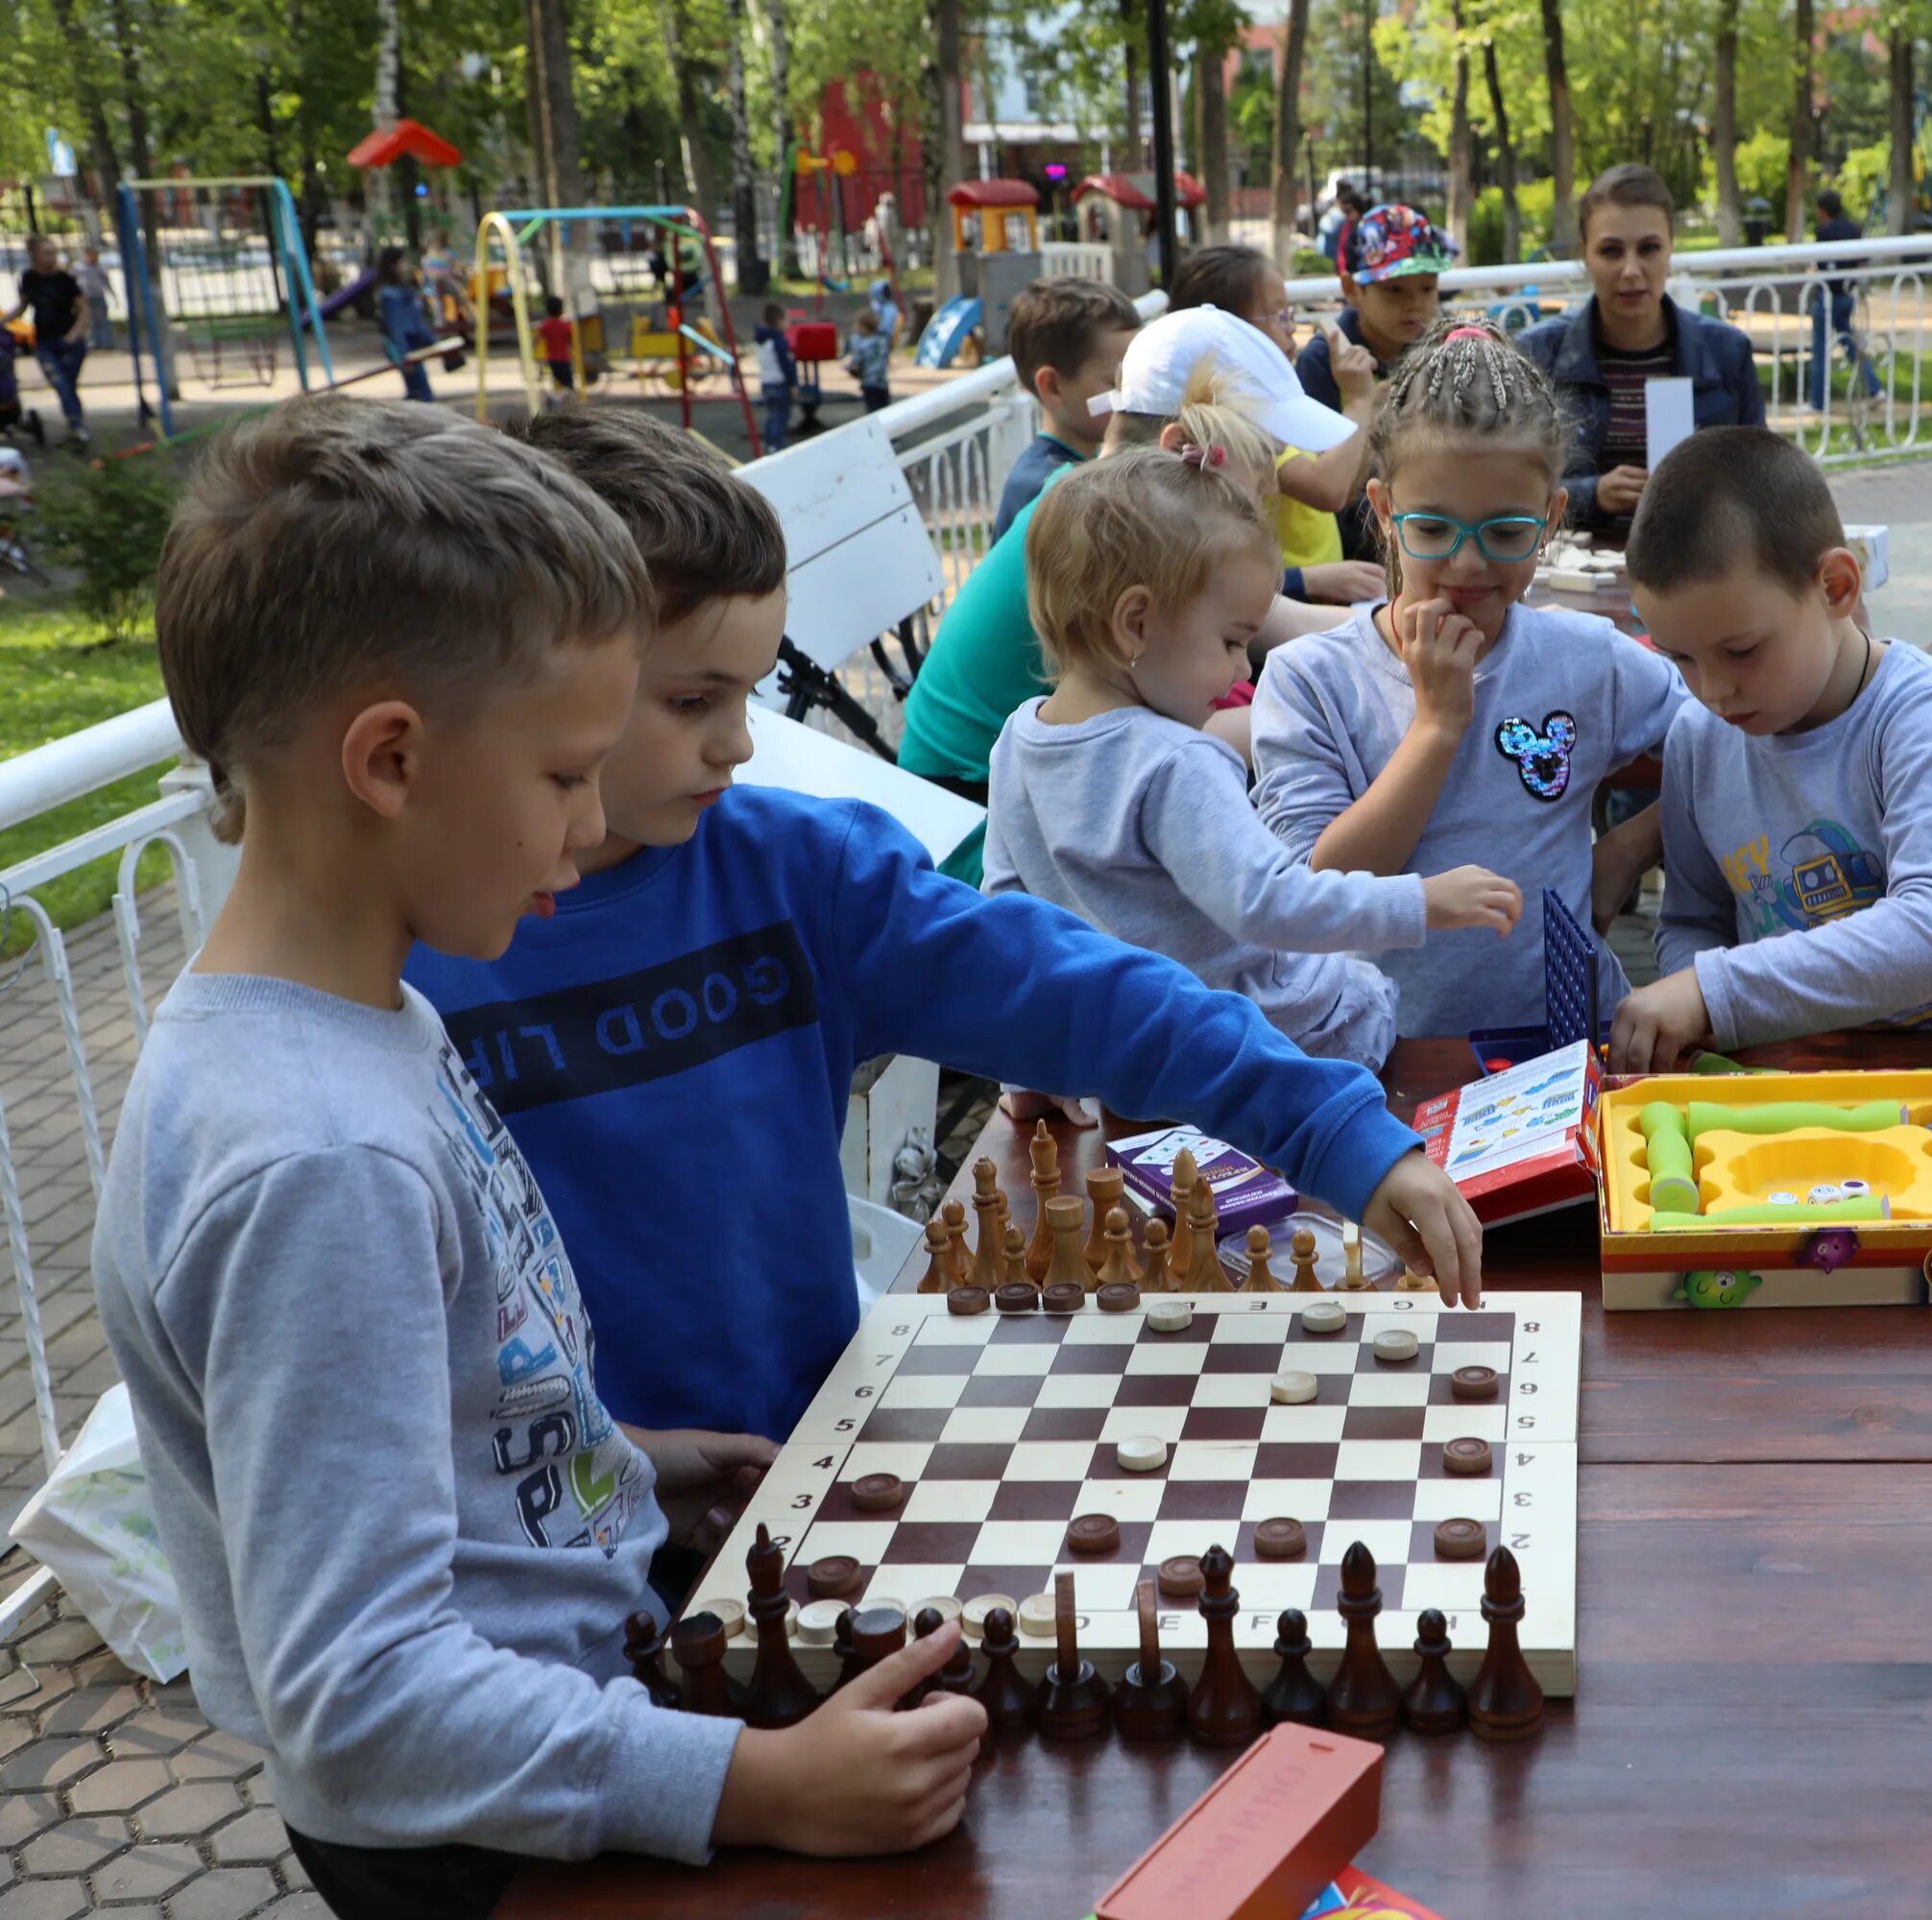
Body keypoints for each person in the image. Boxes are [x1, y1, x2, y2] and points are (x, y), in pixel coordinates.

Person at [101, 396, 994, 1920]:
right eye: (565, 775)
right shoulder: (317, 1160)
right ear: (389, 760)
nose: (589, 835)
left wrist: (621, 1461)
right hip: (487, 1830)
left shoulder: (359, 1014)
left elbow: (415, 1428)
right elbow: (364, 1702)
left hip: (553, 1732)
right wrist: (756, 1787)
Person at [403, 405, 1484, 1452]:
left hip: (811, 1449)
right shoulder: (410, 955)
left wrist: (1332, 1130)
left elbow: (1087, 991)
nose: (741, 743)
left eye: (751, 695)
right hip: (559, 1524)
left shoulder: (798, 872)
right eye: (693, 701)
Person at [1611, 426, 1932, 1174]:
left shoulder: (1930, 718)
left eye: (1740, 652)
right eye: (1682, 660)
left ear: (1836, 587)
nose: (1713, 689)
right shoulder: (1701, 736)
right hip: (1790, 1111)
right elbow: (1695, 916)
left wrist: (1711, 990)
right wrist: (1689, 993)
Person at [985, 447, 1522, 1068]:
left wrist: (1027, 1079)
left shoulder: (1019, 741)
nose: (1244, 669)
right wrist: (1422, 902)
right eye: (1232, 641)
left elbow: (1008, 919)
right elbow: (1271, 904)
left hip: (1126, 1054)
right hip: (1273, 1046)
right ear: (1135, 623)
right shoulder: (1177, 760)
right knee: (1373, 999)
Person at [1253, 322, 1685, 1042]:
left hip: (1564, 1049)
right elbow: (1317, 896)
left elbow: (1735, 740)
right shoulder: (1312, 682)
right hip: (1382, 1061)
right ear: (1386, 513)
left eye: (1507, 532)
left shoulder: (1587, 659)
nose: (1468, 563)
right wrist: (1437, 726)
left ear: (1551, 518)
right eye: (1434, 529)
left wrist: (1632, 845)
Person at [899, 305, 1364, 883]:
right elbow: (1182, 743)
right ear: (1183, 451)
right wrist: (1352, 700)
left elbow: (1287, 621)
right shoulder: (1105, 544)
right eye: (1261, 465)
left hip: (1035, 796)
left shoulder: (1118, 516)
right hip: (976, 825)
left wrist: (1393, 631)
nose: (1265, 496)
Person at [1516, 164, 1764, 543]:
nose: (1631, 270)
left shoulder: (1727, 352)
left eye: (1649, 248)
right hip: (1574, 572)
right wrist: (1592, 494)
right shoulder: (1536, 355)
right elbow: (1509, 489)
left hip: (1700, 564)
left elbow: (1761, 484)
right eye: (1611, 251)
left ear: (1671, 248)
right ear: (1585, 255)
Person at [1170, 244, 1385, 605]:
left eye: (1289, 314)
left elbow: (1345, 483)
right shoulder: (1235, 420)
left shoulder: (1274, 402)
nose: (1290, 332)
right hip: (1282, 603)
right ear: (1231, 329)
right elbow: (1329, 489)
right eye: (1278, 317)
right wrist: (1359, 401)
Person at [1292, 203, 1453, 556]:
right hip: (1355, 547)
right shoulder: (1326, 361)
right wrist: (1366, 413)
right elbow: (1330, 493)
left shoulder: (1448, 344)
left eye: (1427, 289)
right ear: (1351, 288)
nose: (1414, 304)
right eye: (1394, 290)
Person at [992, 276, 1142, 540]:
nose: (1136, 393)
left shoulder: (1086, 465)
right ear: (1053, 387)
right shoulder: (1046, 490)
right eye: (1117, 382)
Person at [5, 236, 92, 443]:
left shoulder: (65, 279)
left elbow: (83, 310)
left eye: (54, 252)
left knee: (68, 386)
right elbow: (23, 306)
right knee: (61, 384)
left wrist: (74, 334)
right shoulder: (29, 278)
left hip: (69, 343)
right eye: (47, 252)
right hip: (45, 343)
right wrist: (4, 321)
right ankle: (77, 428)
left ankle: (76, 428)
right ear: (35, 255)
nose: (52, 257)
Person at [1805, 185, 1876, 412]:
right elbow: (1862, 259)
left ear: (1822, 210)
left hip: (1828, 297)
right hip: (1848, 295)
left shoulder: (1824, 232)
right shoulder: (1853, 228)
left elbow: (1821, 265)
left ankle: (1817, 401)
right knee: (1849, 343)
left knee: (1820, 349)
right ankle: (1876, 388)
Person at [374, 245, 441, 404]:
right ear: (392, 266)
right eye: (402, 262)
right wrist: (403, 355)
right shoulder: (392, 296)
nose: (406, 266)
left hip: (414, 347)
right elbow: (397, 328)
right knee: (422, 394)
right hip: (407, 349)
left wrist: (432, 341)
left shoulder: (405, 291)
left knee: (418, 392)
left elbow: (417, 321)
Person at [754, 300, 799, 452]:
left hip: (766, 381)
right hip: (779, 382)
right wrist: (793, 383)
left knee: (772, 414)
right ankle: (777, 444)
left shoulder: (761, 340)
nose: (789, 323)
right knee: (781, 415)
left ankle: (769, 442)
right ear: (779, 321)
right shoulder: (778, 341)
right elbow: (786, 364)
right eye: (787, 319)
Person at [534, 295, 580, 399]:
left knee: (563, 384)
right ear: (561, 310)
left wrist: (534, 354)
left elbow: (536, 340)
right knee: (569, 386)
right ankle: (555, 399)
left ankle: (557, 398)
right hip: (564, 360)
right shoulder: (565, 325)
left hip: (551, 360)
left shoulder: (545, 325)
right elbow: (572, 342)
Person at [844, 309, 890, 415]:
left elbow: (856, 363)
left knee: (872, 412)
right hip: (882, 383)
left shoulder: (862, 344)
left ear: (865, 327)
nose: (855, 328)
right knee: (884, 412)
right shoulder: (881, 341)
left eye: (857, 325)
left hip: (869, 383)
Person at [74, 244, 114, 351]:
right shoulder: (79, 268)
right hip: (85, 298)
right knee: (88, 321)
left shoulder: (100, 268)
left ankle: (105, 342)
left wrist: (113, 295)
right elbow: (71, 281)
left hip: (98, 297)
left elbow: (106, 282)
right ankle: (92, 342)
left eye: (95, 255)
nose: (93, 257)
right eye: (90, 255)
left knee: (102, 320)